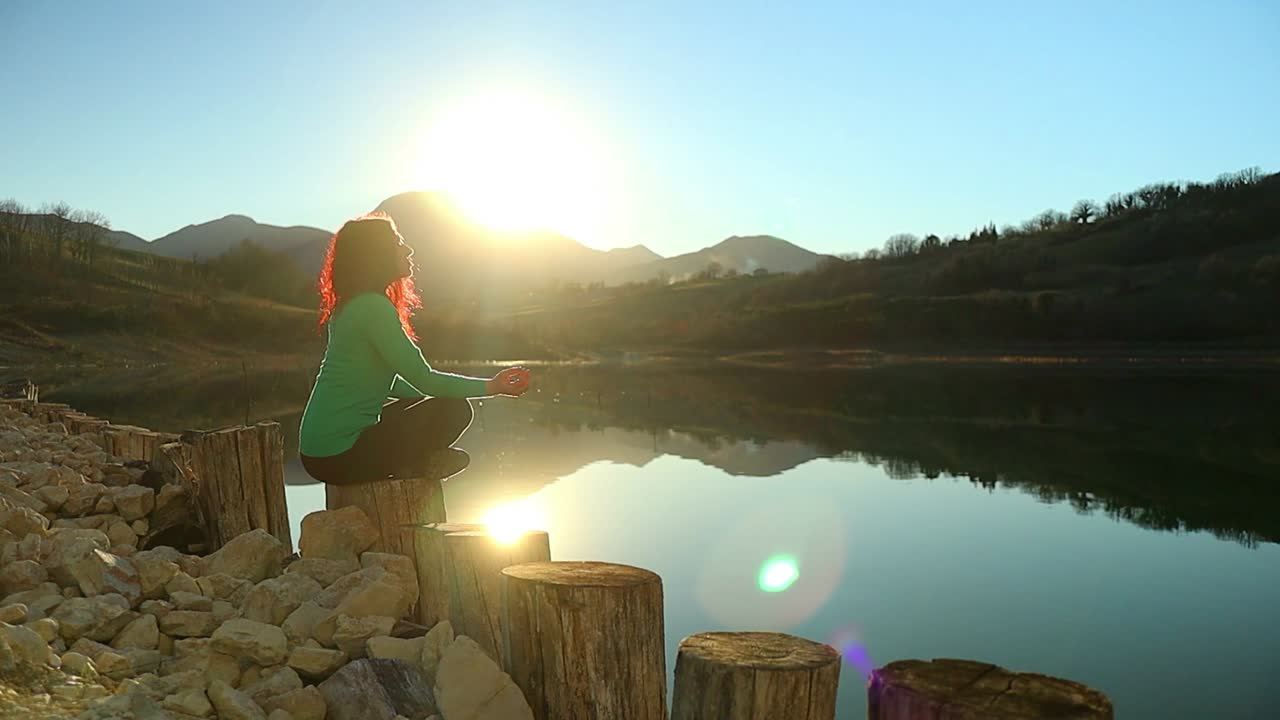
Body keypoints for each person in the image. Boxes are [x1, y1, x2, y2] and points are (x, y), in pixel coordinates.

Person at [298, 212, 530, 485]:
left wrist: (432, 392)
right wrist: (493, 386)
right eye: (397, 243)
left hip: (318, 453)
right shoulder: (372, 307)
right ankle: (417, 465)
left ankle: (416, 463)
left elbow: (386, 384)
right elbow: (425, 379)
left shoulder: (351, 306)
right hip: (339, 457)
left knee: (429, 401)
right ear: (377, 254)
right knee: (454, 409)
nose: (407, 250)